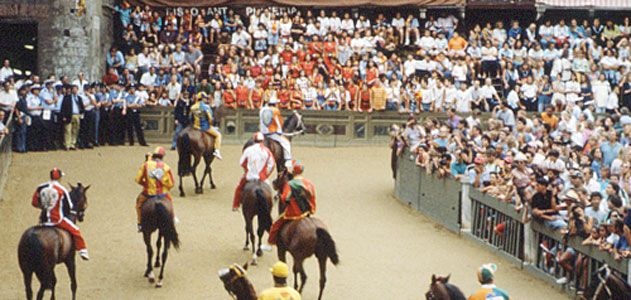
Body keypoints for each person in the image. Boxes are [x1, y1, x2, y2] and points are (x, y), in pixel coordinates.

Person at [32, 168, 89, 260]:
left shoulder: (40, 187)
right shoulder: (62, 190)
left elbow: (34, 203)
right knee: (76, 230)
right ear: (59, 178)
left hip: (43, 220)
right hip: (56, 220)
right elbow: (69, 207)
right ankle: (83, 251)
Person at [268, 160, 316, 245]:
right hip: (306, 212)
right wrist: (311, 210)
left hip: (293, 213)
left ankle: (271, 242)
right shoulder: (309, 183)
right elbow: (312, 198)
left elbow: (284, 198)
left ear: (293, 172)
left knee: (275, 225)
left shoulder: (290, 184)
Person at [134, 146, 175, 232]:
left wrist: (145, 184)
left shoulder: (146, 165)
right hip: (162, 193)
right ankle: (172, 219)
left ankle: (139, 223)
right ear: (162, 156)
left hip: (148, 193)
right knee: (170, 203)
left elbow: (137, 179)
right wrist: (164, 187)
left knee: (138, 204)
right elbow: (171, 184)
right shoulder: (166, 167)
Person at [232, 132, 275, 211]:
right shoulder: (267, 151)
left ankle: (235, 205)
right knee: (269, 191)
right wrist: (266, 174)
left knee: (239, 187)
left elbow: (241, 162)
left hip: (250, 175)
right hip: (263, 177)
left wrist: (247, 170)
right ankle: (270, 206)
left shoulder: (248, 150)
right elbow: (272, 164)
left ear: (254, 140)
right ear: (262, 140)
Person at [190, 92, 222, 159]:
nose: (206, 100)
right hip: (205, 127)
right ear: (202, 98)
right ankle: (217, 150)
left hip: (196, 126)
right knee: (218, 135)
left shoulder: (192, 107)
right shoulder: (206, 107)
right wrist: (210, 124)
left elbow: (190, 117)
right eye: (205, 98)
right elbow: (210, 118)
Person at [259, 98, 291, 165]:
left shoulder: (262, 109)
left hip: (262, 132)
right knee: (286, 143)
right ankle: (288, 160)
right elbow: (279, 122)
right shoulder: (276, 110)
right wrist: (280, 132)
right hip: (272, 133)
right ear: (275, 104)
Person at [61, 84, 85, 150]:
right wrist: (63, 116)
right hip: (69, 115)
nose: (75, 90)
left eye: (76, 89)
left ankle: (73, 144)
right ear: (71, 90)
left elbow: (82, 107)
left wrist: (82, 113)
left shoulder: (79, 98)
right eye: (73, 89)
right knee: (67, 130)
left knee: (75, 130)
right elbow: (63, 107)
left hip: (77, 115)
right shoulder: (67, 98)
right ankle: (67, 145)